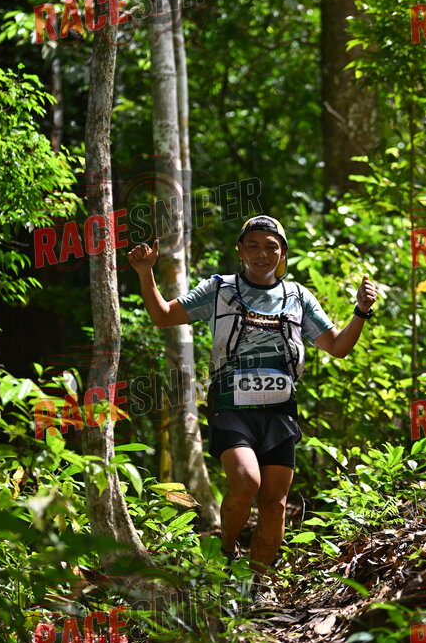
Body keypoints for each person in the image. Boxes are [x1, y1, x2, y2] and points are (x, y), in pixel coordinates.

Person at [128, 215, 378, 595]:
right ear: (240, 250)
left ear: (282, 253)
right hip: (231, 405)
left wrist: (360, 312)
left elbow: (338, 347)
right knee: (246, 481)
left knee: (275, 504)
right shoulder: (219, 289)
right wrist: (145, 271)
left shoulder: (298, 297)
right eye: (254, 245)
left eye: (271, 247)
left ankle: (257, 587)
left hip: (279, 410)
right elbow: (163, 316)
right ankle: (228, 553)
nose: (263, 254)